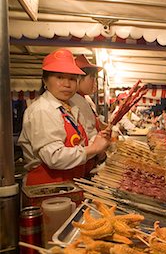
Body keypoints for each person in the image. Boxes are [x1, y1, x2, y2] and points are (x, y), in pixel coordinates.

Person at [18, 49, 110, 186]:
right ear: (45, 80)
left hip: (69, 184)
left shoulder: (70, 106)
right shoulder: (42, 110)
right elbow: (54, 157)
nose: (67, 84)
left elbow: (80, 140)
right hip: (48, 187)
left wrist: (97, 140)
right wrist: (94, 149)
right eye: (60, 77)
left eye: (72, 79)